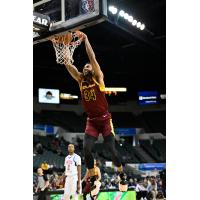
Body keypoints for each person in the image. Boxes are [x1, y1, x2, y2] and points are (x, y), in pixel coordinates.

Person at [63, 32, 127, 192]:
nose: (86, 67)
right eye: (84, 66)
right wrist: (64, 49)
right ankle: (92, 177)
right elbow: (68, 65)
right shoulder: (80, 80)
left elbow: (92, 58)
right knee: (86, 149)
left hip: (105, 120)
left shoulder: (98, 78)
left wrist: (86, 39)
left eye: (88, 66)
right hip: (91, 121)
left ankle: (121, 174)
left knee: (111, 149)